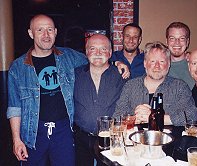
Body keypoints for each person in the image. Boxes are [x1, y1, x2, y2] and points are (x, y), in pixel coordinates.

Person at [6, 14, 129, 166]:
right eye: (40, 30)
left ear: (55, 32)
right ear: (31, 33)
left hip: (64, 131)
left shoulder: (69, 57)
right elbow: (14, 107)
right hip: (33, 131)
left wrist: (116, 62)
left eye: (50, 29)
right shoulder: (17, 68)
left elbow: (96, 57)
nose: (46, 35)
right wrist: (16, 140)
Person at [113, 41, 197, 126]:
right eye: (152, 61)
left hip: (168, 138)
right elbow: (117, 117)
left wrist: (155, 117)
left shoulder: (180, 87)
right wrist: (134, 118)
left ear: (168, 64)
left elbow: (191, 116)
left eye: (161, 61)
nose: (157, 66)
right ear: (145, 63)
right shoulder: (130, 86)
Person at [73, 34, 127, 166]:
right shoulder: (74, 74)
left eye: (103, 49)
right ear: (86, 52)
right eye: (92, 49)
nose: (97, 53)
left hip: (111, 139)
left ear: (110, 53)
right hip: (81, 138)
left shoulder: (122, 75)